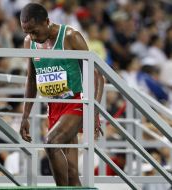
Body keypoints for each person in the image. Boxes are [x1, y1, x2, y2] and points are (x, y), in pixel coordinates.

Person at [19, 3, 104, 186]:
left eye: (35, 31)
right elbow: (32, 79)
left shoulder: (70, 36)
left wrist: (94, 111)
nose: (32, 36)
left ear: (47, 22)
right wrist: (25, 115)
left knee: (51, 142)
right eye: (27, 32)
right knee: (71, 172)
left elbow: (98, 76)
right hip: (53, 105)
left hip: (76, 102)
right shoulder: (29, 42)